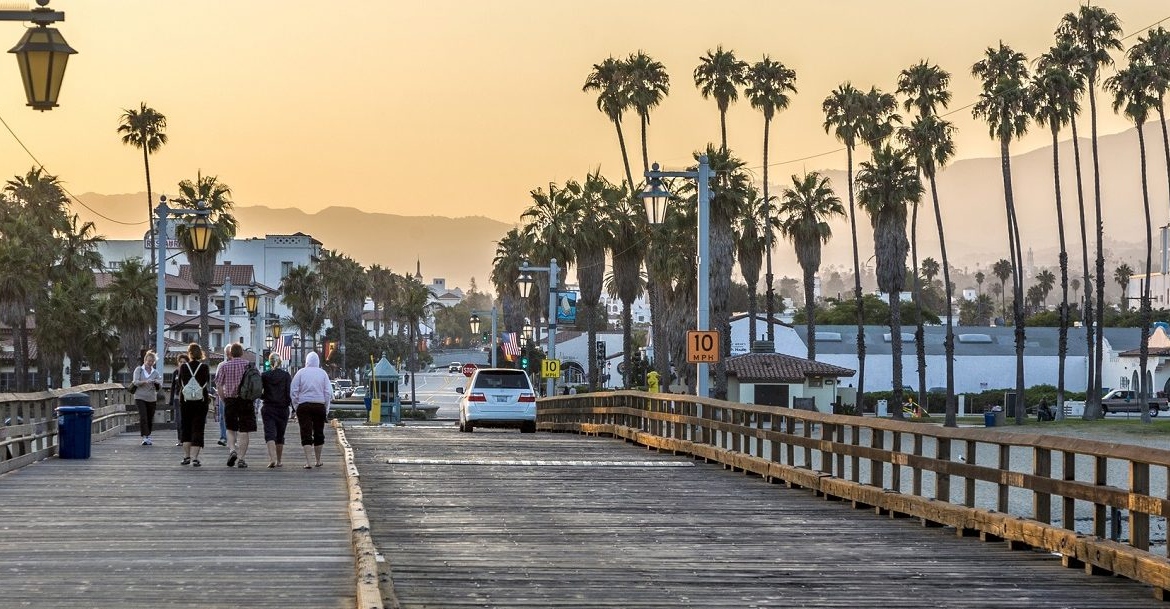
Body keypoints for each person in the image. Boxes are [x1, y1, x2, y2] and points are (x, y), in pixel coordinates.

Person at [215, 342, 255, 469]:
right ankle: (242, 458)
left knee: (230, 428)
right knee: (244, 430)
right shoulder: (248, 366)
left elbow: (219, 385)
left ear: (230, 353)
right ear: (242, 353)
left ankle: (232, 450)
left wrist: (223, 399)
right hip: (245, 400)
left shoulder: (224, 366)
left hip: (230, 400)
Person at [290, 351, 331, 470]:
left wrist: (296, 406)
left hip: (304, 405)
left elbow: (293, 391)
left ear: (306, 361)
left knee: (305, 432)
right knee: (319, 432)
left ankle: (308, 461)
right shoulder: (323, 373)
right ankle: (318, 460)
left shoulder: (300, 373)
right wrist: (326, 408)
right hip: (319, 405)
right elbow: (328, 393)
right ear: (318, 362)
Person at [177, 343, 211, 466]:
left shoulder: (183, 367)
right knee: (198, 428)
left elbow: (180, 384)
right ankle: (195, 458)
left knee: (186, 427)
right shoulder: (204, 367)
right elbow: (206, 383)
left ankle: (186, 457)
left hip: (185, 402)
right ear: (200, 353)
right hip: (200, 402)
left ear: (189, 353)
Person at [260, 352, 293, 468]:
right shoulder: (286, 376)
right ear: (280, 362)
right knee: (280, 435)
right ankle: (279, 460)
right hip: (283, 408)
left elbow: (260, 392)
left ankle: (272, 458)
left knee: (269, 433)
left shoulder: (264, 375)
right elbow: (289, 392)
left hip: (268, 407)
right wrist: (291, 407)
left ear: (270, 361)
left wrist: (264, 397)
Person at [131, 350, 163, 446]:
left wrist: (156, 382)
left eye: (152, 361)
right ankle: (145, 436)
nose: (150, 363)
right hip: (140, 397)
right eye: (148, 361)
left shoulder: (155, 372)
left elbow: (160, 385)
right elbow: (135, 382)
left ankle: (148, 435)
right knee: (143, 416)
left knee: (150, 417)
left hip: (151, 398)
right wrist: (145, 381)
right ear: (145, 360)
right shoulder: (139, 370)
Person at [169, 353, 190, 446]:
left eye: (184, 362)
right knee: (178, 420)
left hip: (188, 399)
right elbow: (172, 387)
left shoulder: (189, 373)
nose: (182, 363)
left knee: (187, 420)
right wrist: (170, 400)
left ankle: (187, 438)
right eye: (180, 362)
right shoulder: (175, 373)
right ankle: (180, 439)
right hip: (177, 398)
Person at [214, 344, 230, 447]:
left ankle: (232, 437)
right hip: (223, 394)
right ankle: (224, 437)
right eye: (227, 353)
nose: (229, 355)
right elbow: (217, 381)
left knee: (233, 417)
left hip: (234, 395)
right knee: (223, 417)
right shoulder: (221, 365)